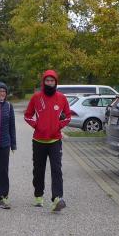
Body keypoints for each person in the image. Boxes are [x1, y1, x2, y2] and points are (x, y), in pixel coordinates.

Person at [24, 70, 71, 212]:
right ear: (43, 82)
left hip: (55, 141)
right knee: (38, 170)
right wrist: (37, 125)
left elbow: (68, 116)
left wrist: (58, 126)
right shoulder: (36, 97)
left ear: (56, 82)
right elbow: (27, 115)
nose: (49, 83)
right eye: (47, 81)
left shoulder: (61, 98)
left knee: (56, 170)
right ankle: (38, 196)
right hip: (39, 141)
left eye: (52, 81)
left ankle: (57, 198)